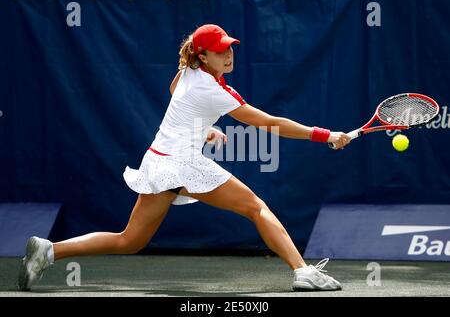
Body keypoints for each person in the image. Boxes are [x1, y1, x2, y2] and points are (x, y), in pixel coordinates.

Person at [18, 24, 351, 292]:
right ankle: (302, 271)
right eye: (220, 50)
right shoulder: (214, 90)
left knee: (129, 240)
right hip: (181, 163)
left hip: (159, 161)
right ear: (203, 56)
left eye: (230, 47)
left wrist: (201, 128)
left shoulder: (188, 73)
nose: (228, 54)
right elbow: (269, 124)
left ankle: (49, 250)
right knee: (256, 207)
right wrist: (325, 135)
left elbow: (176, 93)